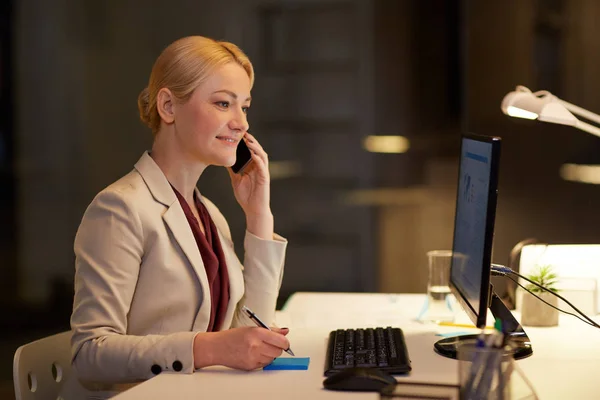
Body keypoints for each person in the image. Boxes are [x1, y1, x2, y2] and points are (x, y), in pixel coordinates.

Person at [64, 36, 290, 397]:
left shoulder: (210, 214)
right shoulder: (119, 208)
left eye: (244, 107)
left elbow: (251, 333)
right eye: (223, 103)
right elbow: (90, 354)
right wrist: (208, 348)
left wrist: (258, 215)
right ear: (168, 106)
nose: (241, 123)